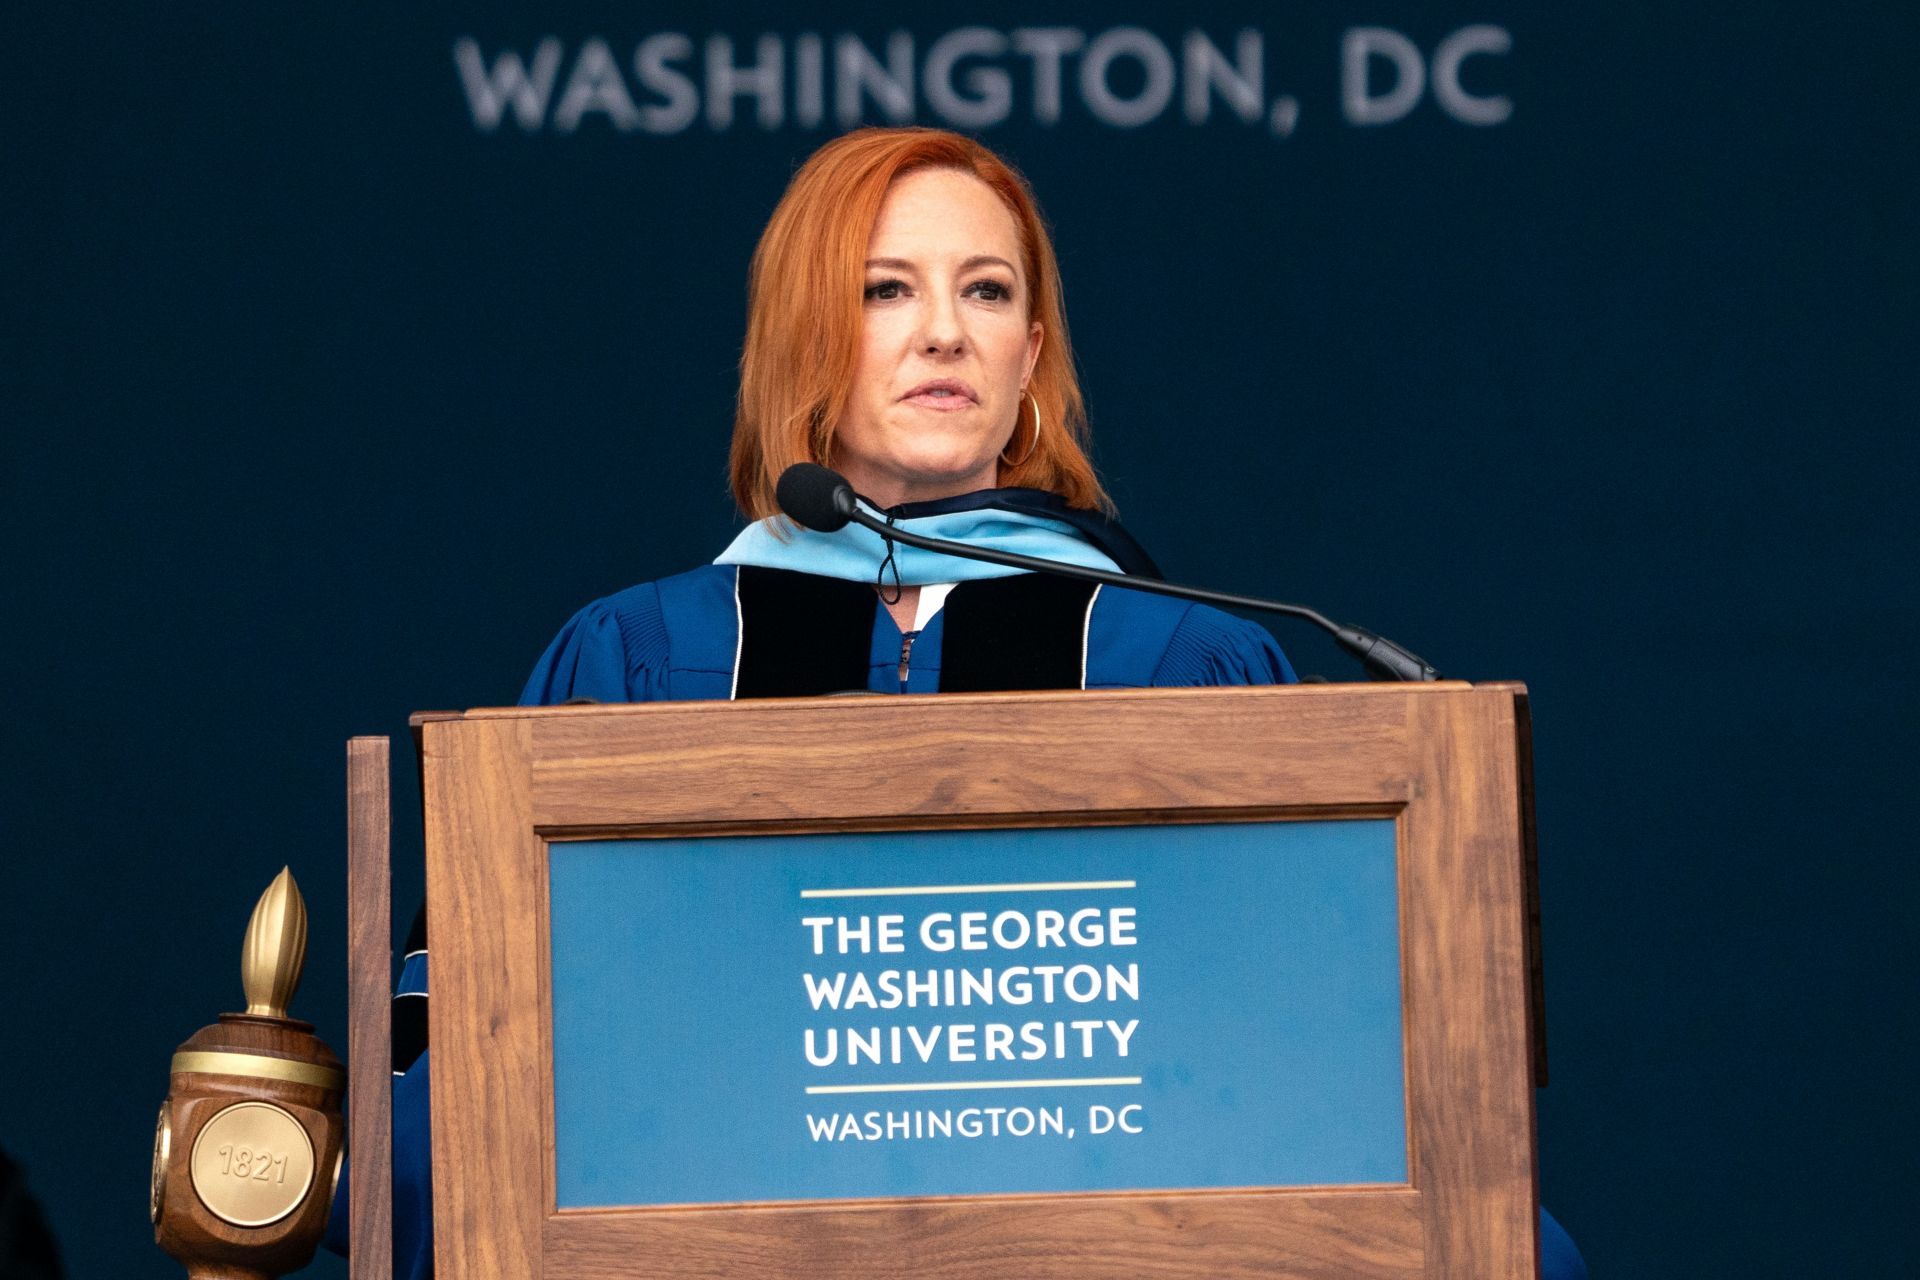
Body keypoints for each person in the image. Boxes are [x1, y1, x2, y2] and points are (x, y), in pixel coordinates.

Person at [329, 126, 1586, 1280]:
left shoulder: (1180, 653)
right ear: (803, 339)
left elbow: (1304, 1060)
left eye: (987, 291)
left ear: (1030, 353)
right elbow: (472, 1069)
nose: (945, 333)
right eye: (887, 290)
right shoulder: (640, 653)